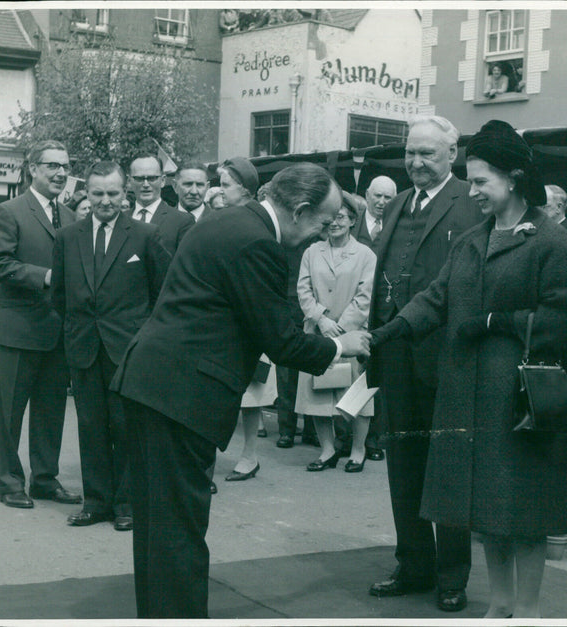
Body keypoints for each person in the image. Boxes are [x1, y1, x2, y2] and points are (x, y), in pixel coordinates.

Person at [110, 163, 371, 618]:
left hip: (152, 384)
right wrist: (339, 345)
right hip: (181, 395)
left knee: (157, 526)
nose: (321, 234)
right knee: (180, 532)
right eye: (322, 223)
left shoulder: (228, 220)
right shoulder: (257, 242)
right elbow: (281, 340)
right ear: (300, 210)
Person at [371, 120, 567, 618]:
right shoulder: (471, 240)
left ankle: (528, 611)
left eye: (481, 182)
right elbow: (436, 298)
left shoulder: (549, 241)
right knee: (487, 511)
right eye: (470, 181)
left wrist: (496, 320)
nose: (474, 192)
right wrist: (384, 334)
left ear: (512, 179)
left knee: (524, 514)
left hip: (518, 399)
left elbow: (560, 321)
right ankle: (500, 606)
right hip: (469, 394)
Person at [366, 115, 482, 612]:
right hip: (395, 355)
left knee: (449, 467)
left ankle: (452, 574)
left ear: (451, 154)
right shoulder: (394, 205)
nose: (415, 162)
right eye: (410, 153)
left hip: (447, 357)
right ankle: (413, 563)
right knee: (403, 465)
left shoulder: (472, 202)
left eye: (427, 154)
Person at [51, 161, 171, 531]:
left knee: (125, 427)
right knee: (90, 426)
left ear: (125, 193)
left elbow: (162, 293)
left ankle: (126, 504)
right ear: (86, 192)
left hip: (128, 351)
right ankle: (96, 502)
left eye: (113, 193)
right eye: (98, 193)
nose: (105, 201)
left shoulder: (146, 235)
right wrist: (76, 332)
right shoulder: (67, 237)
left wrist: (144, 340)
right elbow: (59, 296)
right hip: (84, 348)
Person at [0, 139, 81, 509]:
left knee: (50, 411)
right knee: (8, 413)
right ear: (33, 170)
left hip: (57, 332)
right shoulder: (10, 211)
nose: (61, 173)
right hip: (17, 330)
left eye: (65, 166)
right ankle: (10, 483)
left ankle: (44, 478)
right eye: (52, 166)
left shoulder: (72, 217)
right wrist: (45, 277)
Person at [295, 192, 376, 472]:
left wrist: (341, 327)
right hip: (318, 331)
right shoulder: (311, 252)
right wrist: (320, 319)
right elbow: (303, 289)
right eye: (330, 218)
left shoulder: (366, 255)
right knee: (317, 394)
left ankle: (357, 449)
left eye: (341, 217)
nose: (335, 223)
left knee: (357, 396)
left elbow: (366, 295)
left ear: (353, 220)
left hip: (352, 334)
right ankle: (327, 450)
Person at [212, 156, 276, 483]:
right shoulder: (222, 216)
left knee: (253, 393)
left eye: (225, 185)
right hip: (224, 321)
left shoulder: (261, 221)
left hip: (251, 318)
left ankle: (250, 455)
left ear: (245, 187)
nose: (219, 191)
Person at [352, 176, 397, 462]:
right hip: (354, 306)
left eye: (388, 198)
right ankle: (347, 438)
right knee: (350, 373)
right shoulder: (351, 223)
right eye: (377, 196)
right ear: (367, 195)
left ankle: (374, 439)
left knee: (378, 373)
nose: (381, 203)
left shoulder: (396, 225)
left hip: (383, 310)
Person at [128, 152, 194, 256]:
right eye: (139, 178)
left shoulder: (182, 221)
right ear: (129, 181)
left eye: (152, 178)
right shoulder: (120, 218)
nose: (146, 184)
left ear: (163, 180)